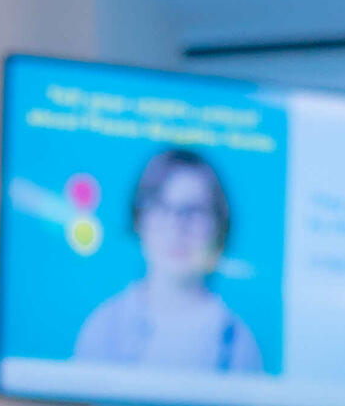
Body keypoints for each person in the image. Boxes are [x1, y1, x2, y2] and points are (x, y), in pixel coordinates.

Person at [74, 146, 266, 375]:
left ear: (219, 228)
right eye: (161, 207)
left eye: (194, 211)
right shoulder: (104, 328)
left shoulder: (238, 345)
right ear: (139, 221)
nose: (176, 227)